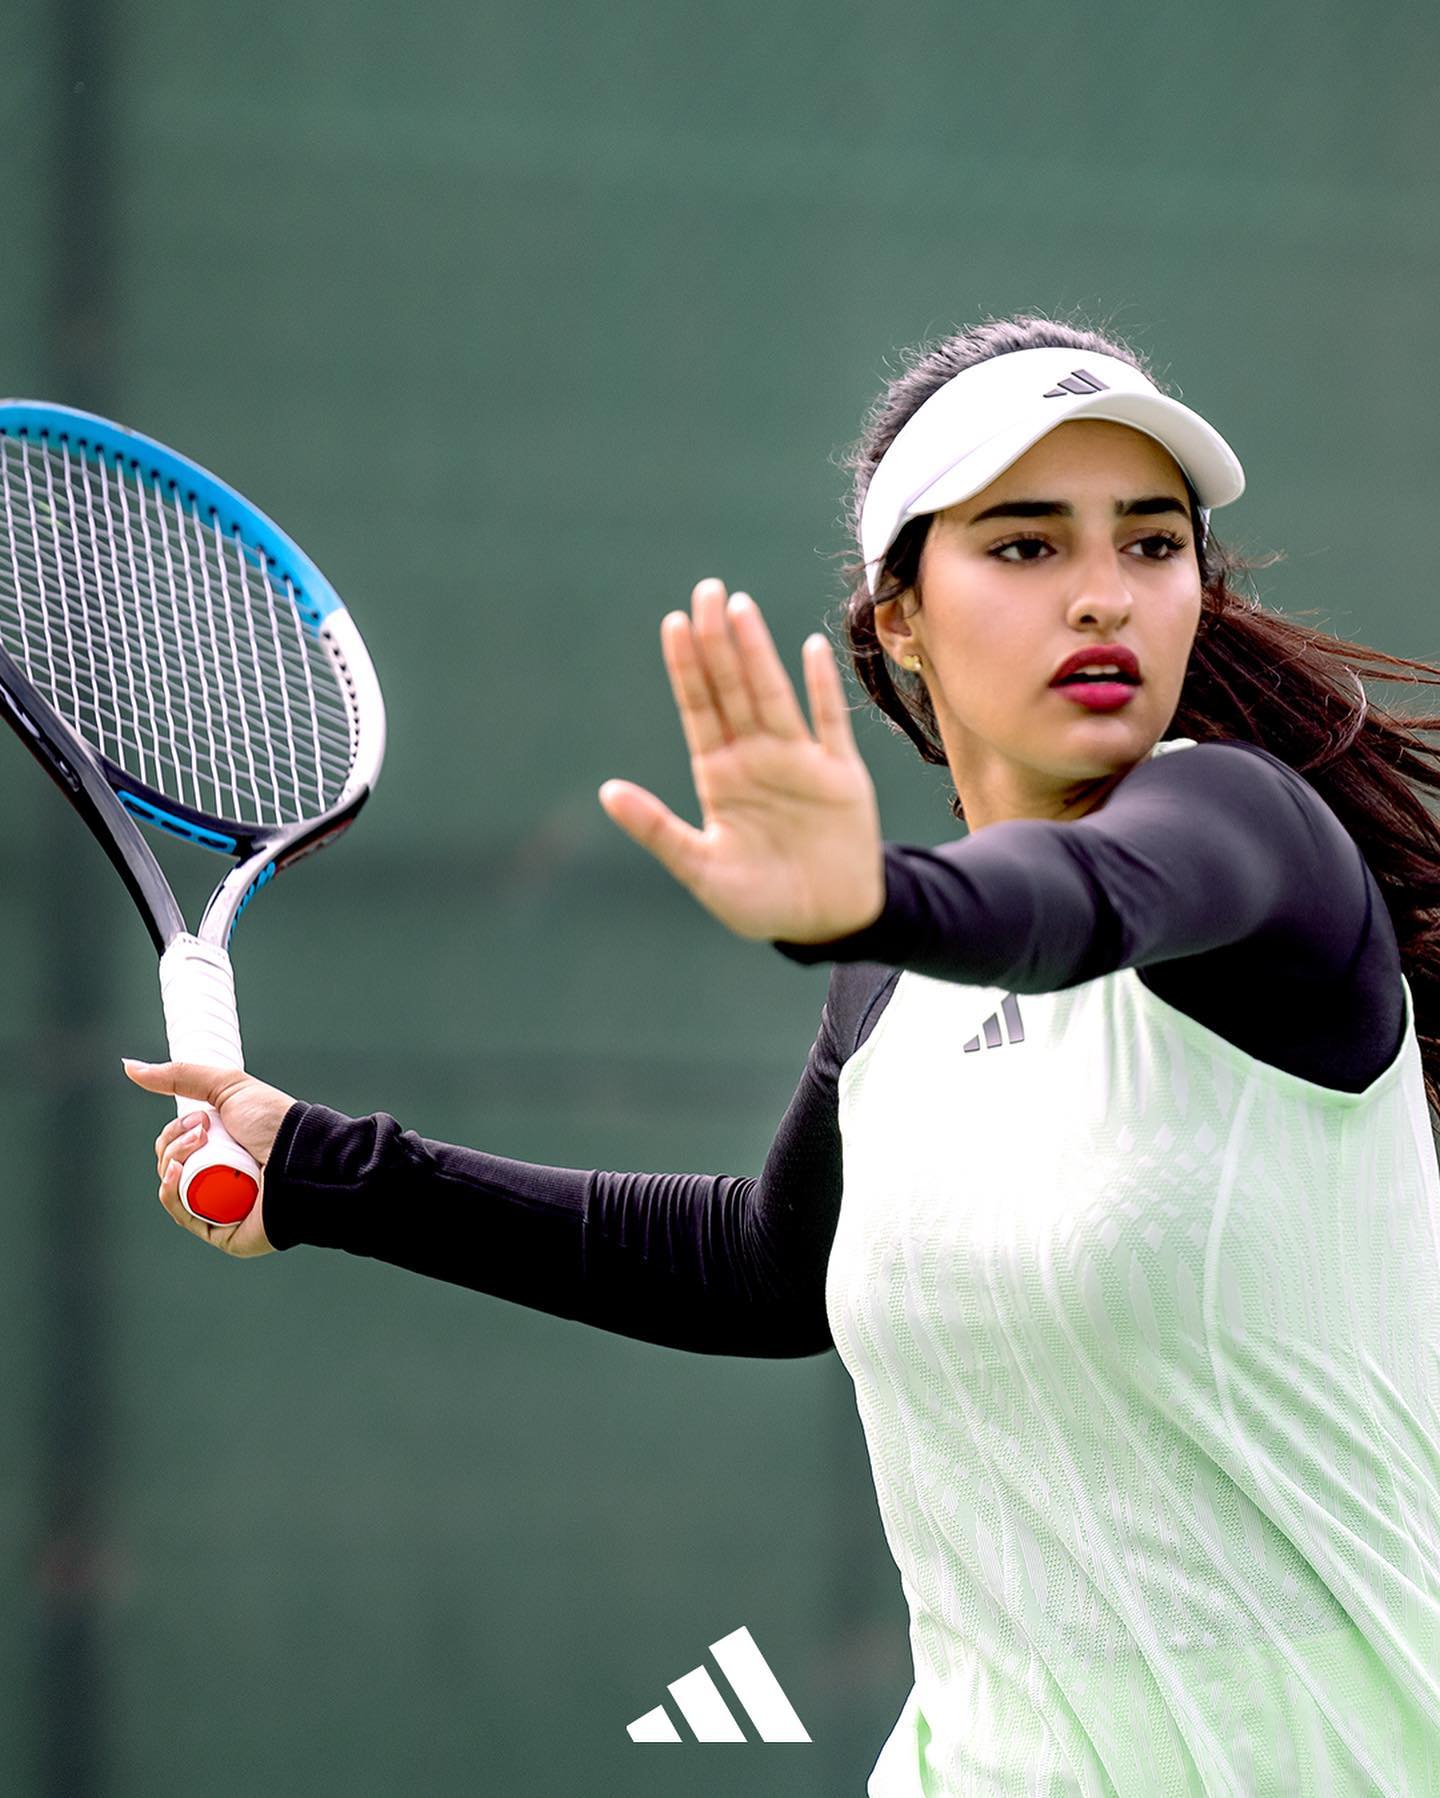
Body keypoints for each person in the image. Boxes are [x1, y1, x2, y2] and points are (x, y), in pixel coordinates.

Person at [124, 313, 1440, 1796]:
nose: (1103, 594)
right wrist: (325, 1167)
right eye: (1024, 545)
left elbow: (1081, 899)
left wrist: (871, 896)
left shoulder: (1249, 837)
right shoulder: (893, 984)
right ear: (900, 619)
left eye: (1151, 543)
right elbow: (763, 1267)